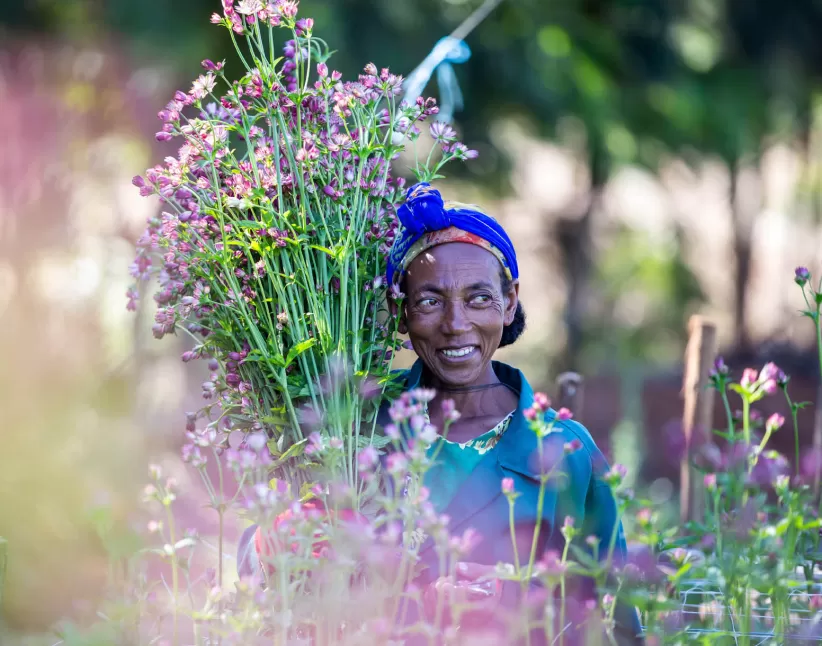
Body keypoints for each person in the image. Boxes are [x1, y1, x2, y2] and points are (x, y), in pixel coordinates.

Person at [238, 182, 643, 644]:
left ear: (509, 301)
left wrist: (515, 601)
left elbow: (615, 621)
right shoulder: (351, 425)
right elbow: (256, 571)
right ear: (400, 310)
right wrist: (273, 544)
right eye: (430, 301)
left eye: (478, 298)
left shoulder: (565, 450)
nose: (455, 324)